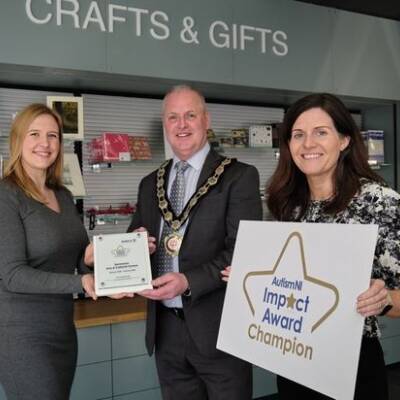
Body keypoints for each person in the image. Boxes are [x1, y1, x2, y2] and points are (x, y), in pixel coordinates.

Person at [128, 85, 262, 400]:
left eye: (190, 115)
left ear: (206, 119)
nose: (182, 124)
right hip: (166, 330)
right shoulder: (150, 183)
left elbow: (243, 251)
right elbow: (136, 235)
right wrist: (135, 245)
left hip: (219, 329)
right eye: (173, 117)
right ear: (165, 124)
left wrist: (188, 281)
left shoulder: (238, 177)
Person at [265, 93, 400, 399]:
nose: (308, 144)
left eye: (321, 132)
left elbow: (394, 296)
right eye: (298, 135)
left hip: (352, 365)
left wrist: (385, 299)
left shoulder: (380, 202)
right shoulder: (289, 205)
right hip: (292, 355)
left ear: (345, 141)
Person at [0, 103, 97, 400]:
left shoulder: (63, 196)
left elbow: (76, 258)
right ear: (18, 140)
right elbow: (13, 276)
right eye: (35, 134)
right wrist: (80, 282)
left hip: (62, 328)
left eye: (53, 135)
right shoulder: (6, 196)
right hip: (22, 333)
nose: (45, 143)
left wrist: (91, 259)